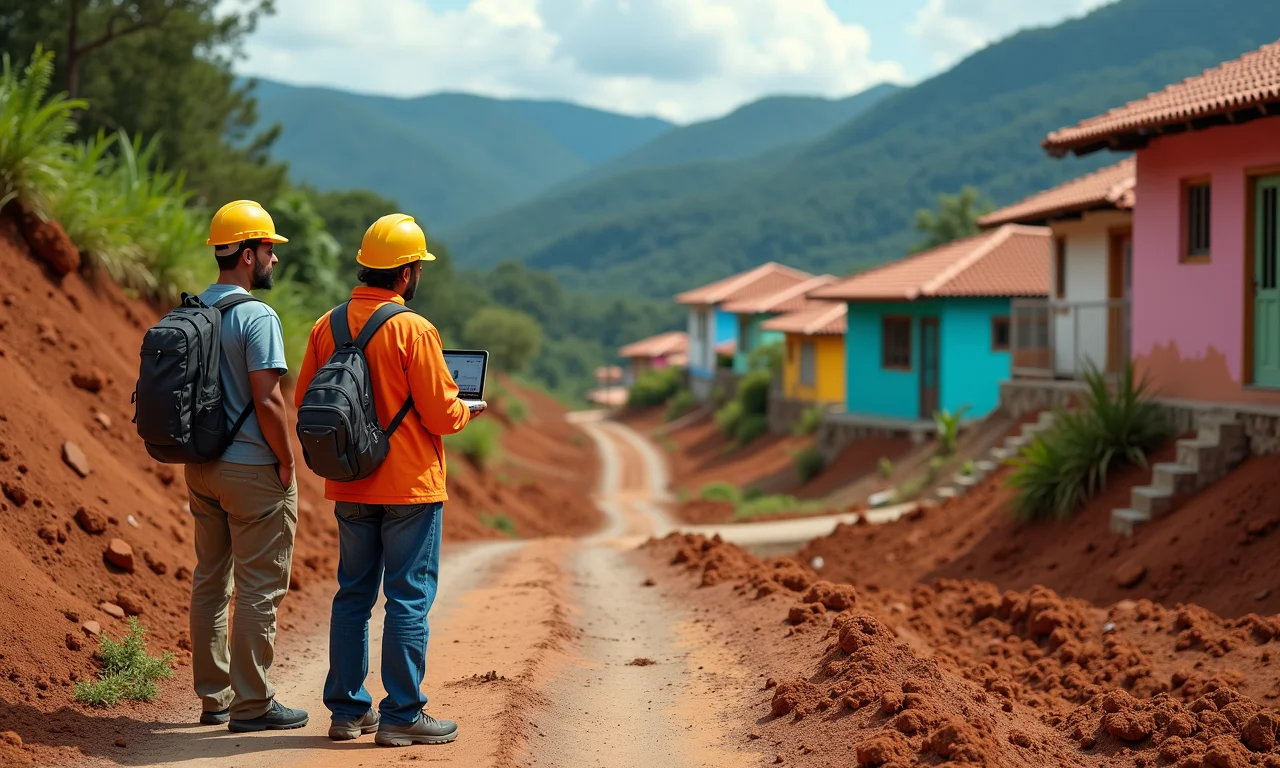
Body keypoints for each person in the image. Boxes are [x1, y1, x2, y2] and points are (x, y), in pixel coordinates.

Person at [294, 213, 482, 747]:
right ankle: (402, 713)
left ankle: (348, 711)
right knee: (406, 598)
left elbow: (307, 401)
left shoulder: (325, 326)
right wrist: (470, 409)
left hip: (350, 484)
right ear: (404, 274)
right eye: (416, 267)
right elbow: (443, 416)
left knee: (352, 594)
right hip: (409, 488)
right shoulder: (413, 329)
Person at [188, 200, 307, 732]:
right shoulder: (256, 315)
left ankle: (215, 696)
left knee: (211, 581)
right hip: (253, 471)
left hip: (202, 467)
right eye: (268, 250)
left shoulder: (192, 310)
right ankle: (253, 704)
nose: (274, 260)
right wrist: (286, 460)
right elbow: (270, 399)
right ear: (245, 253)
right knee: (260, 587)